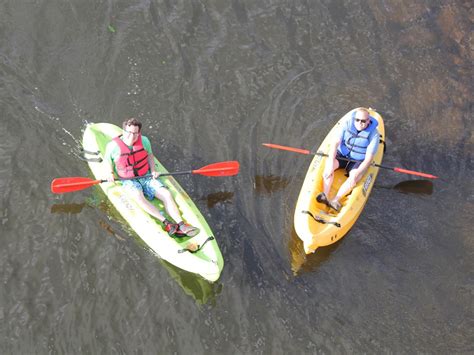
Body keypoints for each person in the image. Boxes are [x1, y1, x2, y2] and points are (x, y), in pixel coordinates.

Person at [104, 117, 199, 237]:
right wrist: (110, 173)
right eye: (129, 132)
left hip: (146, 175)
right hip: (128, 180)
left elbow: (149, 155)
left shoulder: (144, 141)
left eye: (135, 133)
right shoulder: (112, 147)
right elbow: (108, 162)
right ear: (123, 131)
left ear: (139, 133)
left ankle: (181, 224)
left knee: (166, 194)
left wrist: (153, 170)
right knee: (138, 197)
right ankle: (167, 223)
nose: (132, 136)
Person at [317, 108, 380, 212]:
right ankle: (325, 195)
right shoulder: (347, 124)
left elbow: (368, 159)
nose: (360, 123)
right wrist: (329, 164)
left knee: (354, 178)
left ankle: (335, 200)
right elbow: (335, 144)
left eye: (363, 121)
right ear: (354, 119)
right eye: (357, 120)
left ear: (368, 121)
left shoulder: (374, 135)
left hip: (357, 160)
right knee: (329, 168)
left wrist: (358, 172)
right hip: (342, 155)